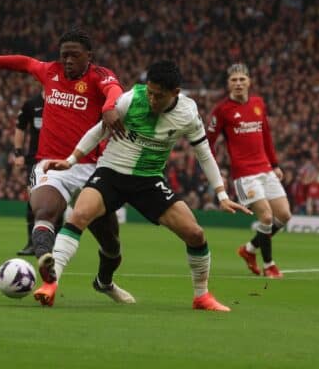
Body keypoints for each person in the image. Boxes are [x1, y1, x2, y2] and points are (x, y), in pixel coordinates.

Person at [38, 61, 252, 311]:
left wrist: (222, 194)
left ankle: (201, 297)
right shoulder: (131, 100)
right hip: (111, 173)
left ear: (175, 93)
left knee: (195, 234)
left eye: (158, 96)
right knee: (79, 215)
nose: (151, 99)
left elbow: (204, 154)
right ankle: (50, 284)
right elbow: (99, 131)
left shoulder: (188, 113)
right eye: (149, 92)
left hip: (149, 180)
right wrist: (71, 160)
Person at [0, 28, 128, 300]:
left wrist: (109, 107)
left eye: (74, 55)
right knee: (43, 210)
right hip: (50, 164)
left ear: (88, 56)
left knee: (111, 245)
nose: (68, 60)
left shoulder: (99, 76)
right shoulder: (50, 71)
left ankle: (104, 282)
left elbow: (114, 89)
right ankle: (47, 262)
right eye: (64, 55)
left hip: (92, 168)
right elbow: (22, 62)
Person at [207, 63, 292, 279]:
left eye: (241, 79)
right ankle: (269, 265)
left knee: (284, 215)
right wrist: (217, 172)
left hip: (265, 168)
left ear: (249, 81)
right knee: (266, 216)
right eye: (233, 80)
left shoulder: (258, 104)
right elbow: (208, 143)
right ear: (228, 84)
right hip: (244, 174)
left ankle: (249, 249)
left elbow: (266, 135)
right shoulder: (222, 110)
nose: (238, 84)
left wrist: (274, 164)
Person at [13, 91, 44, 256]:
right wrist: (18, 153)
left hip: (58, 159)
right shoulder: (32, 103)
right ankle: (32, 243)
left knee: (59, 202)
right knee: (33, 200)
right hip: (35, 160)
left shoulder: (64, 100)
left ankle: (55, 244)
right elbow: (20, 127)